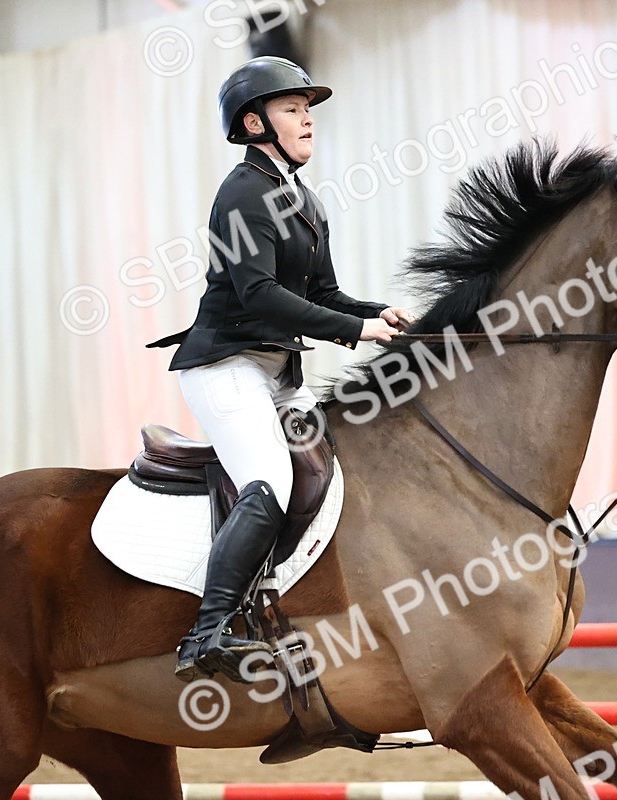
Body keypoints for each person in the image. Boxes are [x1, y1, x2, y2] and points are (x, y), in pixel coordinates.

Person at [146, 56, 414, 682]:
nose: (307, 120)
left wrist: (381, 313)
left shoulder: (304, 199)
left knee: (339, 467)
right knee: (268, 481)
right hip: (226, 367)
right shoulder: (242, 194)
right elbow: (260, 294)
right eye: (293, 109)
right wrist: (355, 331)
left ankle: (290, 604)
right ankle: (206, 635)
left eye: (308, 109)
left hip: (276, 374)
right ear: (253, 122)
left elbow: (324, 293)